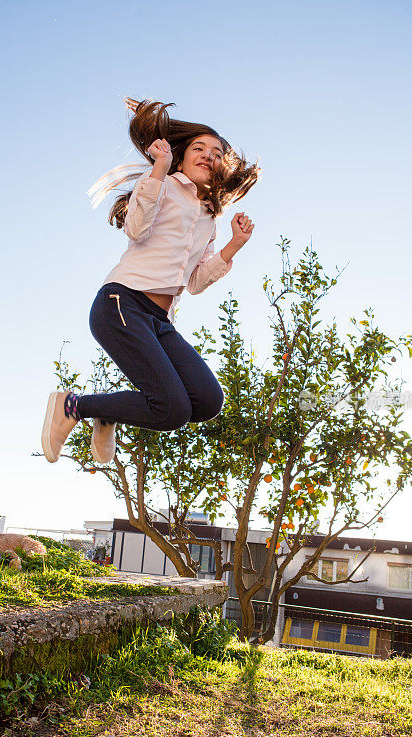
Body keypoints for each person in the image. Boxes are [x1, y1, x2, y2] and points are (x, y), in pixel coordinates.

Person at [42, 97, 261, 465]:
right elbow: (137, 228)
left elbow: (193, 282)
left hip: (159, 322)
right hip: (122, 304)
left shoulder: (210, 217)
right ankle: (72, 406)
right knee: (171, 410)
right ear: (181, 156)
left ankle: (109, 411)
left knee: (207, 401)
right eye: (199, 148)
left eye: (218, 153)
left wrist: (233, 246)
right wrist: (158, 170)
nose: (209, 155)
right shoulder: (161, 182)